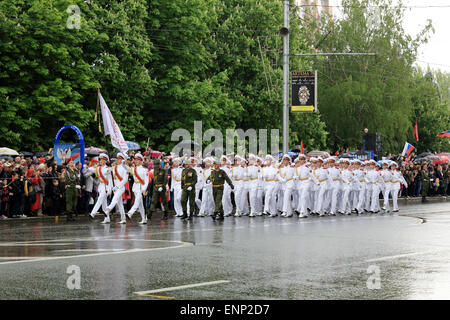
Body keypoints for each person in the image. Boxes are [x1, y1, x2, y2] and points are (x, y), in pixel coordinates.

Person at [104, 153, 130, 224]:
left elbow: (125, 180)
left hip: (121, 187)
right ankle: (123, 218)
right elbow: (107, 172)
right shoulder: (114, 167)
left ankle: (108, 209)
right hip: (115, 188)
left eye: (119, 159)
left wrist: (118, 186)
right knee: (120, 204)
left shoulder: (125, 168)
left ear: (122, 160)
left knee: (114, 199)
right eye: (117, 158)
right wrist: (108, 167)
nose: (118, 160)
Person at [126, 153, 149, 224]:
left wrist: (144, 188)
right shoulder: (133, 169)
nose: (135, 161)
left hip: (141, 187)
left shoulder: (144, 170)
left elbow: (146, 180)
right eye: (135, 160)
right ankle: (144, 219)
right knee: (140, 204)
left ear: (141, 161)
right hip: (135, 187)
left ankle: (130, 213)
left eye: (137, 160)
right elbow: (126, 168)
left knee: (137, 201)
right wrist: (124, 163)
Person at [89, 154, 113, 220]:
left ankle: (93, 213)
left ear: (105, 161)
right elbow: (90, 169)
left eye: (103, 160)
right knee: (104, 203)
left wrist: (109, 189)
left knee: (100, 199)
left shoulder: (108, 169)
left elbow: (110, 180)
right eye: (100, 160)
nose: (101, 161)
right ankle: (107, 219)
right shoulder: (98, 168)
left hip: (106, 186)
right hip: (101, 186)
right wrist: (93, 165)